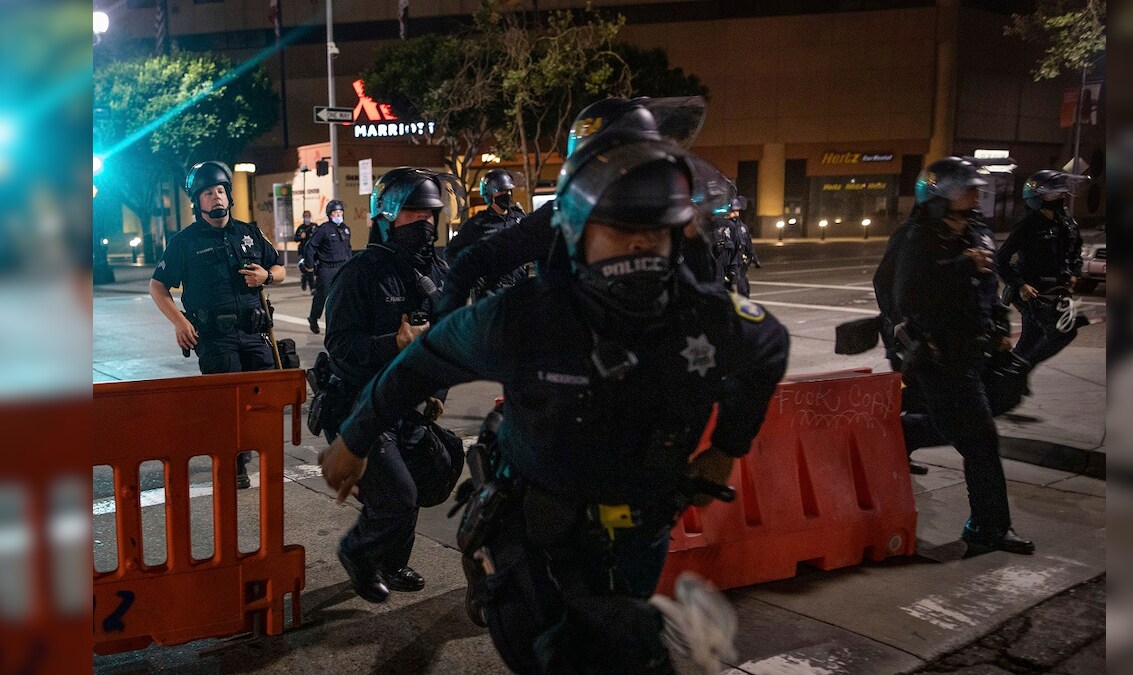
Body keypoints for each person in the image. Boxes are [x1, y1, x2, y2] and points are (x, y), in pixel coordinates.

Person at [321, 138, 790, 673]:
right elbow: (424, 359)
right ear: (579, 233)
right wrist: (355, 438)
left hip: (644, 522)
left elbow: (768, 348)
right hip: (541, 525)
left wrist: (728, 446)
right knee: (549, 649)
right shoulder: (526, 318)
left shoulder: (706, 315)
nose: (637, 247)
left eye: (652, 231)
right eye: (618, 228)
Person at [434, 96, 708, 321]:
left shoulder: (674, 219)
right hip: (573, 362)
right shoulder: (559, 215)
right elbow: (470, 263)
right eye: (624, 160)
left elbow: (704, 294)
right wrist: (449, 333)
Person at [319, 168, 459, 603]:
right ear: (387, 215)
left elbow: (447, 340)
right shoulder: (361, 273)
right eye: (414, 212)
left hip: (409, 405)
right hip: (358, 406)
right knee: (397, 495)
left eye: (432, 213)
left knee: (429, 475)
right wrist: (391, 343)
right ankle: (358, 553)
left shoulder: (438, 272)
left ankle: (394, 562)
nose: (426, 223)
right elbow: (340, 345)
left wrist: (437, 393)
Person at [893, 157, 1033, 558]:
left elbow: (988, 287)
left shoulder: (977, 231)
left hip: (978, 351)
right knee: (982, 441)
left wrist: (1002, 329)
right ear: (940, 193)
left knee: (989, 410)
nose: (976, 195)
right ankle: (987, 528)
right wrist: (959, 265)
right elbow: (906, 295)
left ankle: (907, 433)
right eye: (966, 189)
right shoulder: (918, 238)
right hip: (942, 356)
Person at [149, 160, 286, 489]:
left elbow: (279, 268)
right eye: (209, 193)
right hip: (216, 337)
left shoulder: (249, 233)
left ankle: (252, 448)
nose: (217, 197)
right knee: (227, 403)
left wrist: (267, 276)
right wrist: (179, 322)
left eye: (221, 190)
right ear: (197, 202)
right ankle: (233, 461)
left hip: (254, 332)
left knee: (263, 398)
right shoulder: (185, 242)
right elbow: (158, 286)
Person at [996, 170, 1087, 370]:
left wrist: (1074, 272)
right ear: (1039, 198)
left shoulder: (1065, 222)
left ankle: (1014, 370)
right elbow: (1000, 259)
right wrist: (1020, 285)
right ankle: (1015, 371)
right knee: (1051, 332)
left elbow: (1075, 250)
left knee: (1047, 335)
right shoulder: (1028, 224)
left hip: (1055, 292)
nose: (1061, 197)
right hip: (1032, 293)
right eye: (1055, 194)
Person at [444, 169, 528, 299]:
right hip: (490, 295)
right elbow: (450, 253)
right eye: (502, 191)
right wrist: (471, 274)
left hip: (519, 292)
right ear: (490, 194)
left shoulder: (519, 219)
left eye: (509, 190)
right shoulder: (477, 224)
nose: (508, 194)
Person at [304, 200, 354, 334]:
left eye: (340, 212)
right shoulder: (324, 229)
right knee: (322, 295)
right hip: (327, 269)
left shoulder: (346, 229)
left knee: (344, 296)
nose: (338, 215)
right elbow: (310, 246)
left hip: (342, 267)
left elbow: (348, 248)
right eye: (335, 212)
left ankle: (341, 324)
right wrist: (309, 266)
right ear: (330, 214)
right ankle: (313, 317)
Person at [727, 196, 760, 296]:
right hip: (729, 267)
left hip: (741, 266)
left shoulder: (742, 227)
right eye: (732, 211)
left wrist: (754, 258)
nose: (735, 213)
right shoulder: (724, 227)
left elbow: (748, 245)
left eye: (737, 211)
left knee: (744, 291)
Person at [294, 210, 317, 293]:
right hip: (305, 251)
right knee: (309, 269)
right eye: (305, 215)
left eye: (308, 215)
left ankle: (305, 278)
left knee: (315, 269)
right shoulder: (301, 228)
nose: (307, 217)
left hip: (315, 251)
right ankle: (312, 287)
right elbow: (295, 238)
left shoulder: (314, 226)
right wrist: (301, 237)